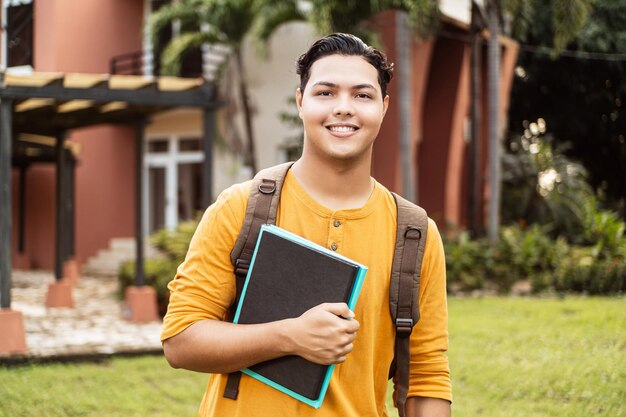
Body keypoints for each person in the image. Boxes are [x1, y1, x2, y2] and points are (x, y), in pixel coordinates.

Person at [161, 33, 451, 417]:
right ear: (301, 102)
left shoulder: (414, 234)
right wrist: (289, 336)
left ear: (383, 107)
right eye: (325, 93)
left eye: (362, 95)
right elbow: (180, 340)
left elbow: (426, 376)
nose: (343, 108)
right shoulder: (240, 208)